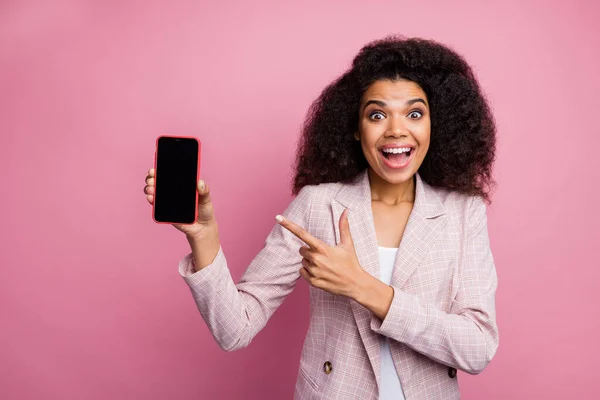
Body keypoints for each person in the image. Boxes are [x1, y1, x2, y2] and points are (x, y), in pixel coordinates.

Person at [143, 34, 499, 400]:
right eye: (377, 114)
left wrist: (362, 286)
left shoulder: (462, 212)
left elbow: (477, 347)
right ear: (355, 129)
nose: (396, 129)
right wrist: (204, 235)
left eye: (414, 113)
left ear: (434, 125)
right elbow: (235, 329)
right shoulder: (318, 205)